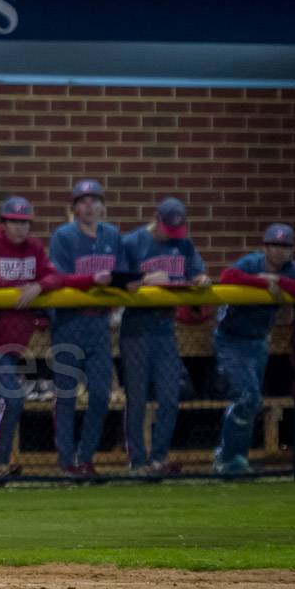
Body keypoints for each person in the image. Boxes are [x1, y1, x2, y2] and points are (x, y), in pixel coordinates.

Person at [0, 197, 62, 479]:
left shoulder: (33, 247)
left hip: (16, 341)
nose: (19, 228)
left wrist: (39, 286)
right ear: (3, 223)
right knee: (11, 398)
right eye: (13, 222)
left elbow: (55, 276)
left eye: (24, 222)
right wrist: (21, 287)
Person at [118, 198, 211, 476]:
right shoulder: (133, 241)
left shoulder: (183, 244)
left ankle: (158, 459)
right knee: (136, 398)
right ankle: (137, 461)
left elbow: (197, 272)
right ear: (156, 218)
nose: (173, 235)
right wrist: (145, 279)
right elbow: (118, 279)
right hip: (136, 327)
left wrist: (202, 279)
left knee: (170, 397)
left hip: (165, 327)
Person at [48, 179, 121, 478]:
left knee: (102, 395)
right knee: (65, 395)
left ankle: (86, 456)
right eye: (83, 201)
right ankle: (67, 461)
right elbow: (60, 279)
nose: (89, 206)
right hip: (69, 322)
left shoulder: (113, 235)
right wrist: (94, 282)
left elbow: (123, 273)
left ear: (103, 206)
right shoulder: (63, 236)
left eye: (95, 200)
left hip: (99, 323)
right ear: (74, 207)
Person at [212, 223, 295, 474]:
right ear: (265, 247)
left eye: (285, 247)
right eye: (274, 246)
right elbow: (228, 277)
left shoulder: (290, 270)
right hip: (230, 339)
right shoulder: (252, 263)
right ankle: (227, 457)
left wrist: (276, 280)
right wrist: (261, 281)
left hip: (258, 341)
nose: (279, 252)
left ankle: (235, 458)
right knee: (249, 397)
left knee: (249, 401)